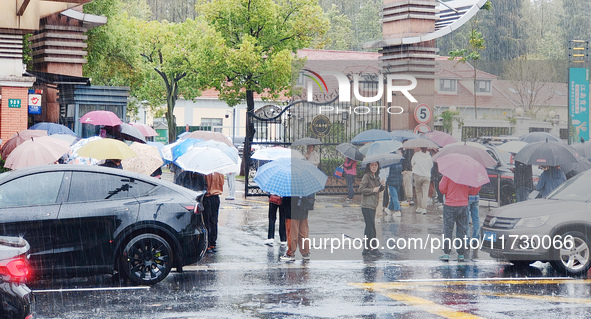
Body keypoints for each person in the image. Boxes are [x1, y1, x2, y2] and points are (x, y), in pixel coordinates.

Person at [438, 175, 481, 262]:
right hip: (463, 205)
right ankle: (461, 254)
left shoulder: (448, 174)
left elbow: (442, 188)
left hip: (450, 204)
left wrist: (449, 192)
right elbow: (474, 190)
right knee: (462, 230)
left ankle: (446, 253)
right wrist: (465, 191)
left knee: (448, 229)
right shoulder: (467, 175)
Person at [358, 161, 385, 257]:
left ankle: (366, 248)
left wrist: (381, 186)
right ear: (369, 166)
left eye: (376, 165)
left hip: (373, 204)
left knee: (368, 227)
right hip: (367, 205)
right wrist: (372, 190)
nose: (374, 167)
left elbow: (378, 190)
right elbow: (361, 189)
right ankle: (373, 248)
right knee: (371, 227)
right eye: (372, 165)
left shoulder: (376, 177)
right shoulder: (367, 176)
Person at [280, 196, 311, 261]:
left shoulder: (289, 186)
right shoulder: (304, 186)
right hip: (303, 207)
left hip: (292, 208)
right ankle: (305, 253)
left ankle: (290, 253)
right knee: (303, 232)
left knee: (292, 232)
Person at [204, 172, 224, 253]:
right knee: (214, 221)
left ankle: (207, 243)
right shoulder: (220, 173)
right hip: (216, 197)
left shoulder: (205, 172)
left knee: (206, 221)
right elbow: (221, 184)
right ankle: (213, 242)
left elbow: (203, 185)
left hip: (207, 197)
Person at [411, 147, 433, 214]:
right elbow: (431, 165)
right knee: (425, 192)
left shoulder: (416, 155)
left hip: (418, 174)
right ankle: (424, 208)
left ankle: (420, 207)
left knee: (419, 191)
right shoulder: (429, 156)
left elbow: (412, 163)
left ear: (420, 148)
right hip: (427, 175)